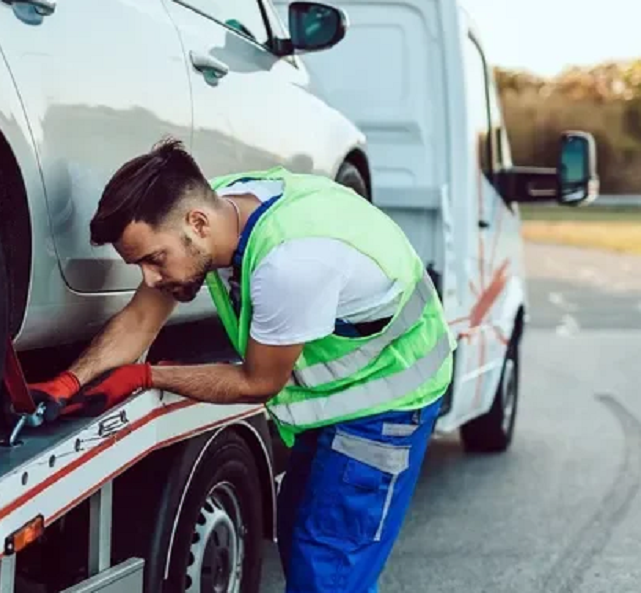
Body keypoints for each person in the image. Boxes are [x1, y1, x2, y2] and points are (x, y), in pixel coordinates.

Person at [27, 137, 455, 592]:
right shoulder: (220, 208)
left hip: (387, 403)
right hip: (335, 401)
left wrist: (146, 376)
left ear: (197, 223)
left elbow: (258, 382)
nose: (150, 279)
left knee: (327, 572)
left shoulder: (290, 262)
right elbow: (138, 321)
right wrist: (69, 380)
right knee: (300, 543)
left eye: (154, 260)